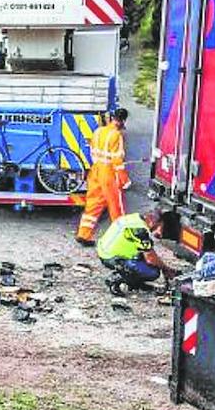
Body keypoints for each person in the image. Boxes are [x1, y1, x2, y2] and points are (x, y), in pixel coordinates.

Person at [76, 107, 131, 244]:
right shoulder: (116, 135)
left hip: (95, 171)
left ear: (111, 118)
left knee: (93, 204)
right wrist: (125, 179)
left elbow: (92, 150)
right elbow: (117, 161)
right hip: (109, 173)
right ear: (122, 121)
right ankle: (122, 239)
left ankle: (83, 234)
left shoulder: (98, 131)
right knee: (116, 206)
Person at [96, 210, 177, 295]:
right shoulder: (139, 230)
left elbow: (149, 251)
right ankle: (117, 279)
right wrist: (165, 269)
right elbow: (150, 258)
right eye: (160, 227)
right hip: (111, 256)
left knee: (143, 259)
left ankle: (133, 282)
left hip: (104, 248)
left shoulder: (134, 218)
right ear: (153, 222)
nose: (160, 232)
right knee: (153, 272)